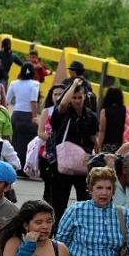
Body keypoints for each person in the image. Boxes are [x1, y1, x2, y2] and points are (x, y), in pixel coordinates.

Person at [49, 78, 98, 224]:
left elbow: (94, 139)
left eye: (79, 97)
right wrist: (74, 85)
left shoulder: (90, 116)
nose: (77, 100)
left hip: (82, 164)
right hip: (61, 165)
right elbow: (63, 104)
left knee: (85, 200)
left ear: (84, 98)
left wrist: (98, 157)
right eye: (74, 97)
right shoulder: (63, 114)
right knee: (59, 203)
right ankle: (58, 230)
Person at [6, 63, 40, 176]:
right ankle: (25, 168)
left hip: (16, 115)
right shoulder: (35, 84)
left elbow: (7, 100)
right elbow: (33, 101)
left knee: (15, 141)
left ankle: (15, 166)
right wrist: (35, 117)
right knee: (27, 143)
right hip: (28, 116)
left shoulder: (14, 83)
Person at [36, 85, 66, 203]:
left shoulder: (69, 112)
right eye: (55, 94)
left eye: (61, 94)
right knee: (48, 182)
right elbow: (40, 133)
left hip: (63, 152)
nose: (58, 97)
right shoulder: (46, 111)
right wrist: (54, 139)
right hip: (47, 152)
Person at [97, 87, 129, 154]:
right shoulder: (126, 110)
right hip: (122, 145)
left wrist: (98, 146)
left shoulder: (105, 111)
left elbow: (102, 131)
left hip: (107, 146)